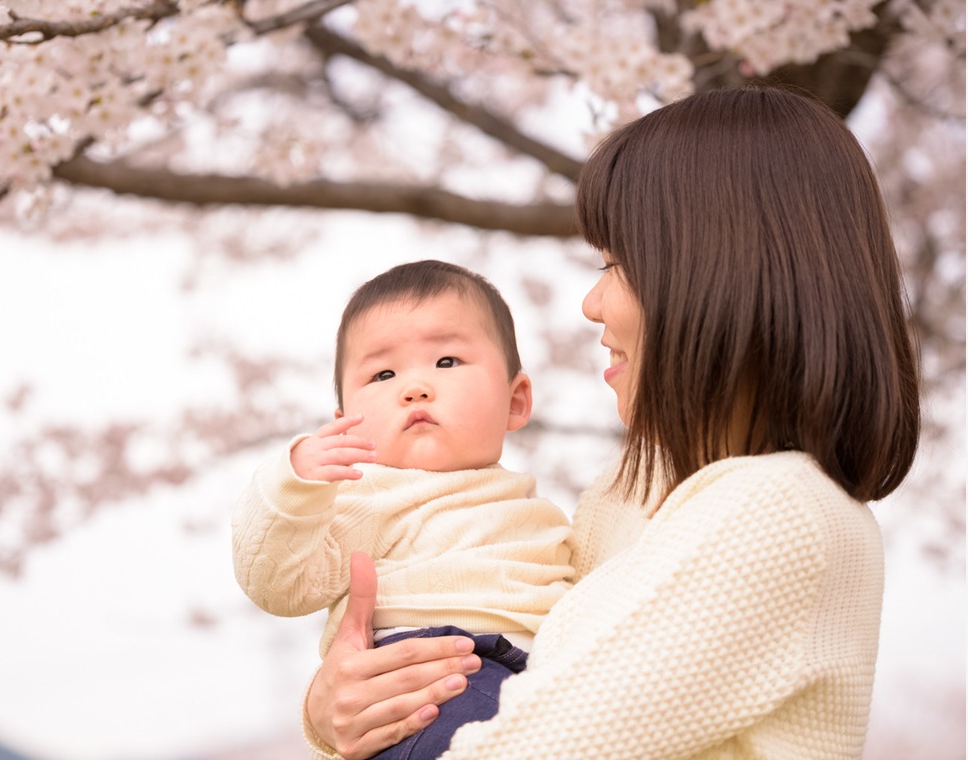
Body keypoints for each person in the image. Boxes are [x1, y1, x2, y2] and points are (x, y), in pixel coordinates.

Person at [301, 85, 921, 760]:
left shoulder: (782, 514)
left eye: (614, 264)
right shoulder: (625, 496)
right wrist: (336, 713)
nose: (591, 304)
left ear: (715, 271)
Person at [232, 259, 575, 758]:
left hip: (533, 675)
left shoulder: (538, 508)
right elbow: (278, 586)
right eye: (384, 373)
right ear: (347, 422)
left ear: (516, 400)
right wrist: (293, 487)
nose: (414, 388)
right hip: (425, 684)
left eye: (447, 362)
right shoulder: (363, 497)